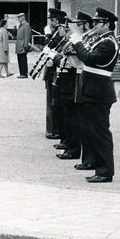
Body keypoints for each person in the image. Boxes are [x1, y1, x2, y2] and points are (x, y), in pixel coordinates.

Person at [69, 8, 120, 183]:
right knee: (93, 131)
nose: (95, 25)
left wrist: (77, 41)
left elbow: (89, 59)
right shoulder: (101, 39)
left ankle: (105, 171)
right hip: (92, 90)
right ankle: (98, 165)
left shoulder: (108, 42)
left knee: (101, 133)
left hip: (99, 91)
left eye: (98, 22)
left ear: (106, 25)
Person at [55, 12, 91, 162]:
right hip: (72, 80)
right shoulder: (77, 39)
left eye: (78, 24)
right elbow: (66, 52)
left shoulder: (84, 40)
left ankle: (74, 149)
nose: (74, 28)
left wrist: (58, 57)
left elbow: (75, 56)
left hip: (79, 80)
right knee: (70, 118)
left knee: (76, 118)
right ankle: (71, 147)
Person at [42, 9, 68, 141]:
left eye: (52, 21)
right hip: (50, 72)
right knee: (50, 101)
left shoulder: (59, 36)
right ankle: (51, 128)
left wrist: (47, 35)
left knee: (54, 102)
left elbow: (48, 46)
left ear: (58, 21)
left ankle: (55, 129)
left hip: (56, 73)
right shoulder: (55, 34)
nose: (50, 24)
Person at [15, 13, 33, 79]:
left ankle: (24, 73)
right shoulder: (20, 25)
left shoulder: (26, 25)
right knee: (19, 59)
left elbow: (27, 36)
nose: (18, 19)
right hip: (19, 45)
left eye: (19, 17)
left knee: (23, 59)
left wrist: (26, 45)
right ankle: (21, 73)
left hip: (22, 46)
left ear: (23, 17)